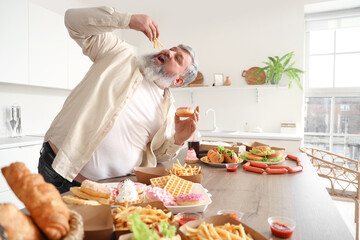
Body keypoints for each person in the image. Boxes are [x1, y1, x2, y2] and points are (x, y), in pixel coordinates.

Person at [37, 6, 199, 194]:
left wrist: (179, 139)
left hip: (111, 192)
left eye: (177, 58)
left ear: (178, 80)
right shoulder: (120, 54)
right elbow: (72, 21)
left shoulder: (168, 110)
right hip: (61, 174)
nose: (169, 52)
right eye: (171, 49)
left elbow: (158, 154)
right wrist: (127, 20)